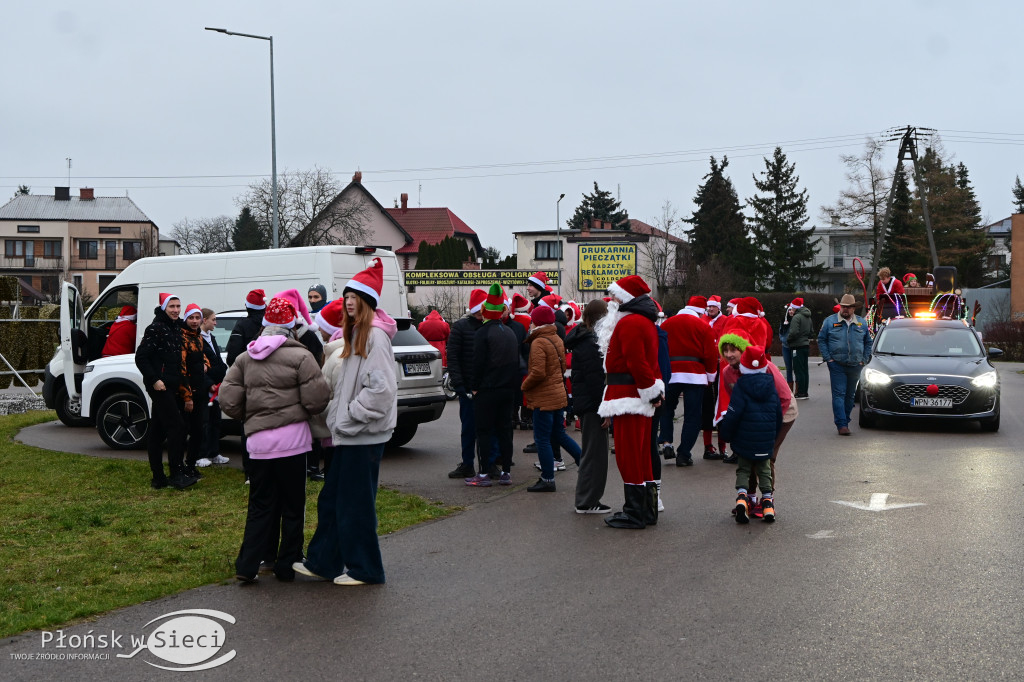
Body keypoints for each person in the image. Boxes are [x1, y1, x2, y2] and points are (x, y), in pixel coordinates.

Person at [296, 258, 397, 586]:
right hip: (350, 435)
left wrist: (351, 416)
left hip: (363, 435)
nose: (348, 301)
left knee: (355, 505)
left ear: (368, 302)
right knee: (333, 499)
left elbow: (381, 391)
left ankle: (366, 569)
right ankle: (323, 562)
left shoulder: (375, 339)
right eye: (347, 295)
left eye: (355, 296)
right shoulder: (357, 334)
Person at [220, 296, 331, 583]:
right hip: (292, 443)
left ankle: (249, 564)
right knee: (293, 506)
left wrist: (252, 415)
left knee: (260, 505)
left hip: (258, 445)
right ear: (292, 325)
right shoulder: (302, 356)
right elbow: (317, 399)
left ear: (265, 325)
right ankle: (287, 565)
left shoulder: (245, 357)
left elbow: (227, 400)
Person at [596, 275, 664, 529]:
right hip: (635, 395)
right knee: (641, 454)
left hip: (629, 397)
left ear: (625, 298)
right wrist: (653, 392)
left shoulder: (630, 324)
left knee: (629, 455)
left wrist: (650, 392)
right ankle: (646, 510)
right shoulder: (641, 322)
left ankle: (635, 512)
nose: (611, 300)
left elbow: (638, 363)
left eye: (614, 296)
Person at [717, 329, 797, 520]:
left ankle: (767, 501)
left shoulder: (766, 368)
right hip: (752, 416)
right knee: (748, 455)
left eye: (733, 350)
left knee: (765, 458)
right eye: (725, 350)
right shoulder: (728, 372)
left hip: (781, 414)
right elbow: (732, 402)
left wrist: (770, 430)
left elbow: (784, 398)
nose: (728, 355)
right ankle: (749, 500)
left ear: (743, 351)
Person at [134, 294, 197, 490]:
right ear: (163, 307)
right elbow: (141, 357)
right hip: (159, 386)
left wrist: (184, 387)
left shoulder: (177, 328)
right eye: (172, 306)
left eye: (178, 306)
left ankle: (158, 478)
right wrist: (154, 380)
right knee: (177, 427)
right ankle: (176, 473)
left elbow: (180, 362)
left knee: (157, 431)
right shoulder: (155, 328)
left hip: (173, 384)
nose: (176, 310)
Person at [465, 283, 519, 487]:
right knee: (505, 431)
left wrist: (475, 386)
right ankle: (506, 472)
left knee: (484, 431)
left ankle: (484, 473)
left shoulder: (482, 332)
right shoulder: (510, 332)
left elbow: (477, 363)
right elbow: (514, 362)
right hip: (507, 390)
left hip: (487, 389)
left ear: (485, 311)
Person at [522, 305, 579, 492]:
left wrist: (524, 385)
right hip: (557, 393)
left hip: (544, 397)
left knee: (542, 439)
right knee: (559, 434)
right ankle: (585, 463)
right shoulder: (556, 338)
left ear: (536, 322)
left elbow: (538, 372)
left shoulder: (539, 342)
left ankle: (547, 479)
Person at [659, 296, 718, 467]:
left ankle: (667, 442)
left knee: (666, 409)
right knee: (692, 416)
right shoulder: (703, 326)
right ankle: (684, 454)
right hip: (695, 375)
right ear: (701, 312)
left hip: (670, 373)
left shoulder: (667, 324)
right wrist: (710, 375)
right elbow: (710, 354)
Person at [445, 289, 497, 480]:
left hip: (487, 387)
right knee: (468, 429)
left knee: (489, 428)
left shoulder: (491, 327)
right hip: (467, 387)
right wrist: (458, 383)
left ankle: (489, 464)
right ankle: (467, 464)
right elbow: (453, 357)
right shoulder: (460, 327)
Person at [566, 299, 611, 513]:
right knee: (594, 455)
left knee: (592, 453)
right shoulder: (592, 342)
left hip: (587, 404)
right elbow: (595, 381)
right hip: (593, 406)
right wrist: (604, 409)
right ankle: (586, 501)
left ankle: (587, 499)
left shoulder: (583, 339)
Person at [226, 288, 267, 484]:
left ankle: (250, 472)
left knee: (248, 427)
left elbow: (232, 357)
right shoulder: (272, 327)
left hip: (247, 384)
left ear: (246, 306)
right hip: (270, 384)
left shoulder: (241, 326)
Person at [817, 293, 873, 436]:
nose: (845, 310)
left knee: (850, 396)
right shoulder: (830, 321)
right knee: (839, 395)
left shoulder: (862, 323)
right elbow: (821, 340)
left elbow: (868, 342)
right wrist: (828, 358)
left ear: (854, 308)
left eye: (848, 307)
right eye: (843, 307)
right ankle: (841, 424)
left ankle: (846, 420)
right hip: (837, 365)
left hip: (856, 365)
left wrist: (864, 360)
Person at [180, 303, 211, 481]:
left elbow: (202, 355)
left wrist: (206, 363)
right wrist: (187, 396)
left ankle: (191, 464)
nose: (194, 321)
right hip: (188, 392)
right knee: (185, 430)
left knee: (199, 430)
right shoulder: (182, 337)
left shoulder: (198, 337)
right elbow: (182, 368)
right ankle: (182, 466)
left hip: (200, 390)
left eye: (197, 318)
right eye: (191, 318)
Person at [196, 307, 229, 467]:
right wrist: (209, 384)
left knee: (215, 420)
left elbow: (216, 361)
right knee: (203, 421)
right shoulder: (197, 339)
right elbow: (199, 366)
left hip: (216, 385)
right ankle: (200, 454)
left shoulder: (211, 337)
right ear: (205, 320)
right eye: (213, 320)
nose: (215, 323)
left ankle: (214, 452)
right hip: (205, 388)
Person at [700, 295, 728, 460]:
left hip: (720, 365)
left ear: (718, 307)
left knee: (721, 405)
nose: (710, 309)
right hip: (705, 367)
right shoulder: (702, 320)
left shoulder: (725, 320)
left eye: (713, 307)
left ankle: (722, 447)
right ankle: (707, 446)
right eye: (708, 307)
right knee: (707, 407)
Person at [785, 298, 812, 400]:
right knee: (804, 369)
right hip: (805, 345)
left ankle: (800, 392)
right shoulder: (808, 317)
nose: (791, 310)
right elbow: (811, 331)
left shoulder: (796, 317)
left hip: (797, 346)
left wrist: (788, 340)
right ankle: (804, 391)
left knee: (798, 369)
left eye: (792, 308)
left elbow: (794, 332)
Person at [779, 303, 794, 388]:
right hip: (785, 346)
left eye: (792, 310)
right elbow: (780, 332)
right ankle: (790, 386)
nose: (791, 312)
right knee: (788, 367)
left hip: (794, 346)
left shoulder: (796, 320)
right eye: (789, 310)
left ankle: (798, 388)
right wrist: (783, 340)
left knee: (795, 368)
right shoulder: (784, 321)